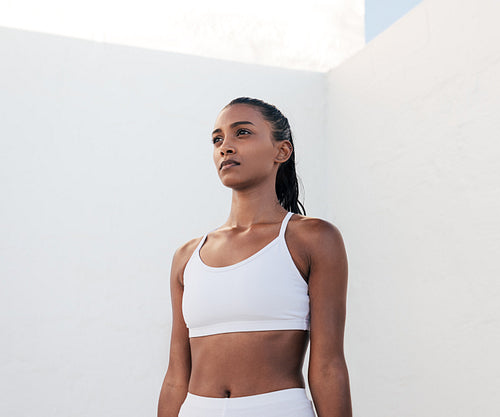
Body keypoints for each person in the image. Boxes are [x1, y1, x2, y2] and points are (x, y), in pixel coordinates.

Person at [157, 97, 352, 417]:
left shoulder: (312, 239)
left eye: (242, 133)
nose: (225, 147)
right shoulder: (187, 256)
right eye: (217, 139)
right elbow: (176, 378)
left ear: (282, 151)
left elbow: (328, 366)